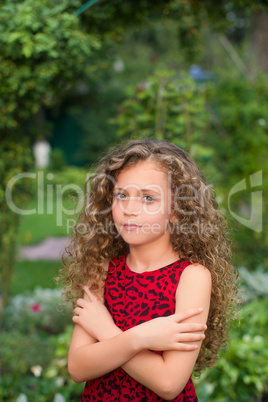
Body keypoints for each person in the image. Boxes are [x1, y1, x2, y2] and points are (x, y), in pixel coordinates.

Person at [61, 139, 239, 401]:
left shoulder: (192, 277)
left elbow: (168, 383)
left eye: (148, 198)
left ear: (177, 210)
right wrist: (142, 338)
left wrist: (107, 332)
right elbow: (77, 367)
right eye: (122, 195)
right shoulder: (103, 270)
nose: (130, 210)